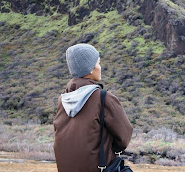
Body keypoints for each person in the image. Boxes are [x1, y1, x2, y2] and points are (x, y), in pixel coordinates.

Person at [53, 43, 133, 172]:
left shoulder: (63, 99)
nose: (100, 67)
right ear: (90, 69)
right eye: (98, 63)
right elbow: (124, 138)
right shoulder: (103, 98)